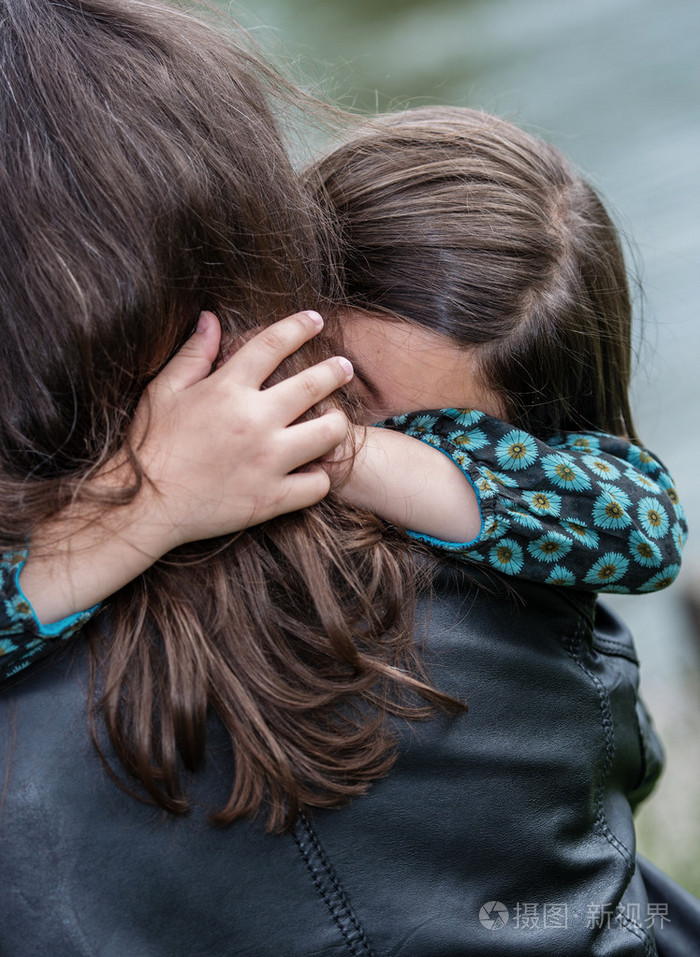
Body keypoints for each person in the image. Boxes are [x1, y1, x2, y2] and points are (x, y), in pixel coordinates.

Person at [0, 4, 688, 955]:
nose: (314, 432)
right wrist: (149, 501)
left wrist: (346, 451)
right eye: (328, 383)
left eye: (432, 436)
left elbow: (639, 523)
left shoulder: (511, 521)